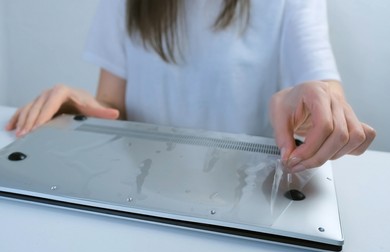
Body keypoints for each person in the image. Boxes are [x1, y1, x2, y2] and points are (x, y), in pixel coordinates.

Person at [5, 0, 376, 173]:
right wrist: (77, 106)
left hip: (244, 194)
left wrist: (314, 105)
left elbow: (325, 91)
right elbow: (111, 105)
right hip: (139, 188)